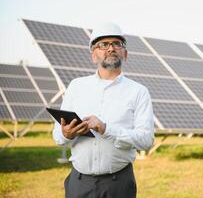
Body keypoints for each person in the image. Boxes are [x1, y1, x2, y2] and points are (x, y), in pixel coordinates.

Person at [52, 22, 155, 198]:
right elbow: (57, 136)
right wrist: (66, 134)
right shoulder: (77, 86)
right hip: (79, 183)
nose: (111, 48)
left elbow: (146, 140)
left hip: (119, 184)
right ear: (93, 55)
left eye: (117, 43)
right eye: (103, 44)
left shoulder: (138, 91)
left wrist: (106, 129)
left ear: (125, 54)